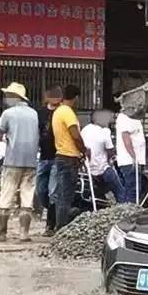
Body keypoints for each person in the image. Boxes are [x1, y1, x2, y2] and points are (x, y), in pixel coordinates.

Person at [0, 83, 39, 242]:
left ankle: (1, 232)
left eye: (8, 96)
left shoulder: (8, 114)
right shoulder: (33, 114)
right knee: (27, 196)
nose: (5, 99)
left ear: (14, 97)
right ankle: (24, 233)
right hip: (31, 161)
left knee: (6, 194)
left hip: (12, 161)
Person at [51, 84, 86, 230]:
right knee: (66, 196)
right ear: (76, 97)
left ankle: (59, 225)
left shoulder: (58, 111)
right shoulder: (68, 112)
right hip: (69, 157)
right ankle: (61, 228)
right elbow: (75, 136)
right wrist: (84, 150)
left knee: (62, 195)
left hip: (61, 156)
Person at [36, 85, 62, 236]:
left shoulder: (62, 112)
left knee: (53, 191)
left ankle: (50, 225)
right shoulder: (40, 113)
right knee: (41, 191)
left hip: (57, 157)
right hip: (43, 157)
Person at [81, 110, 123, 202]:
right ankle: (123, 207)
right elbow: (110, 151)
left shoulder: (84, 130)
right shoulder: (105, 131)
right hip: (103, 169)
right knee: (120, 191)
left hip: (88, 171)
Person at [115, 108, 147, 204]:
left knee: (138, 188)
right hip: (129, 160)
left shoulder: (134, 117)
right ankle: (129, 213)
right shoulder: (124, 117)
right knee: (133, 189)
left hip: (137, 160)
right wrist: (134, 157)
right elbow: (126, 139)